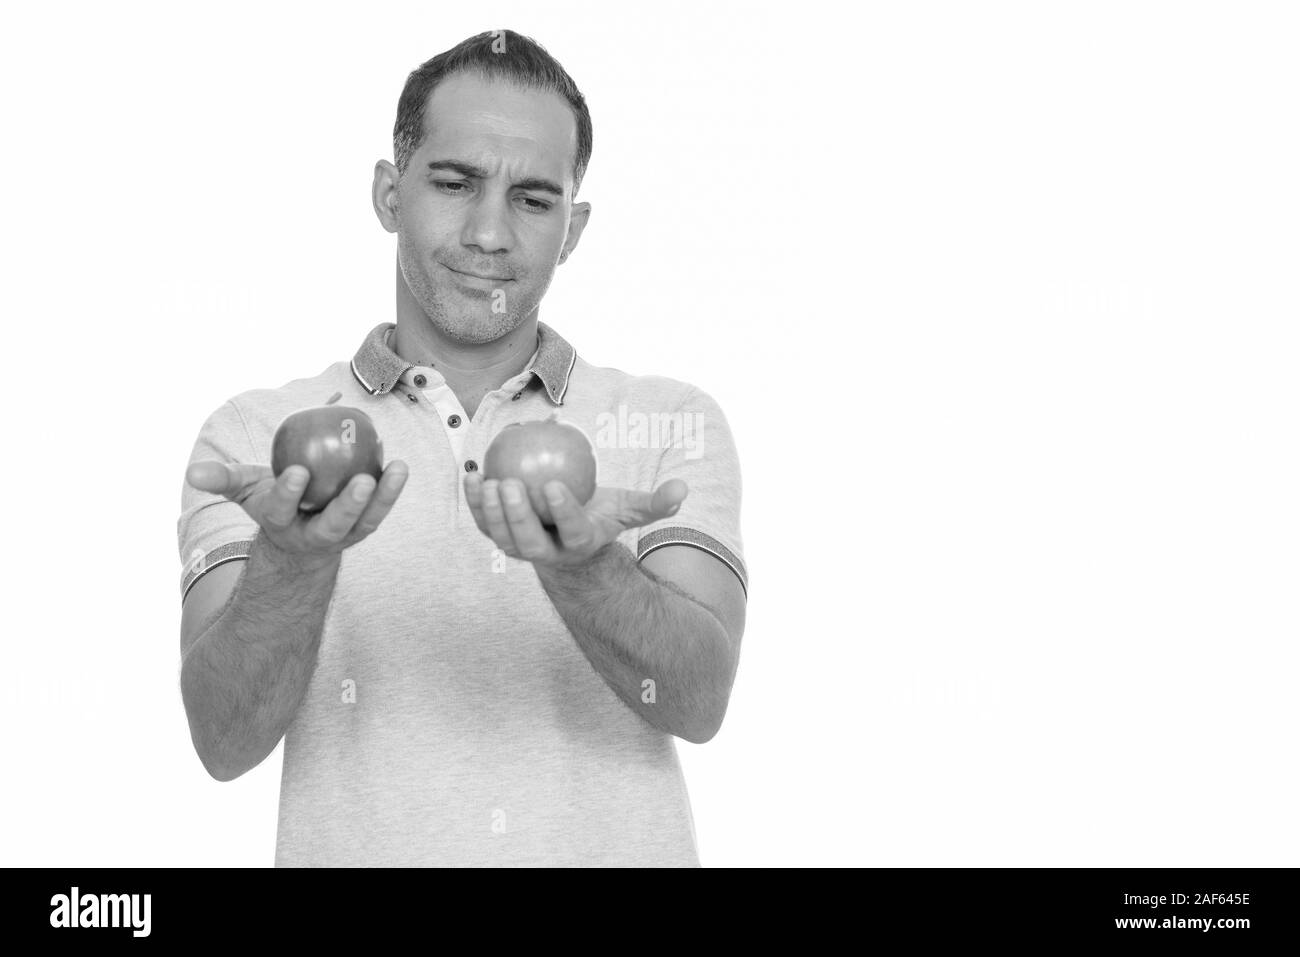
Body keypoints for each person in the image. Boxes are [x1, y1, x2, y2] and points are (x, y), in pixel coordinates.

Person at [176, 29, 747, 867]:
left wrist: (586, 568)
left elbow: (699, 702)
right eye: (455, 182)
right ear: (388, 194)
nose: (490, 233)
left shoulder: (667, 422)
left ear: (574, 227)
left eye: (534, 199)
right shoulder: (260, 440)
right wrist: (292, 562)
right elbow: (223, 741)